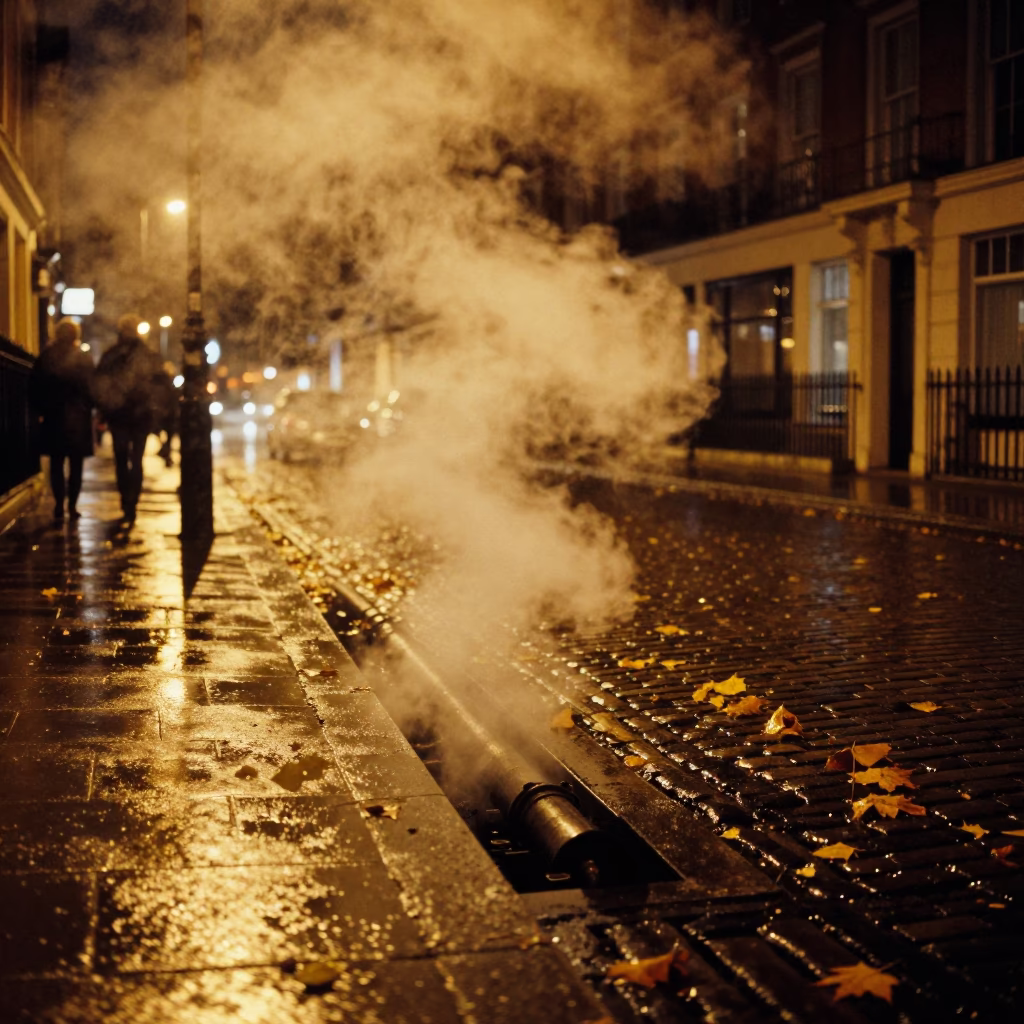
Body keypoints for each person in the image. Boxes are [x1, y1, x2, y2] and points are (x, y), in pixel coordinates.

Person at [94, 314, 167, 524]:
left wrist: (105, 408)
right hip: (140, 415)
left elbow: (100, 384)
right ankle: (132, 501)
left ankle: (126, 499)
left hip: (119, 415)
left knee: (121, 458)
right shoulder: (149, 355)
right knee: (136, 460)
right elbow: (160, 384)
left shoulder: (112, 355)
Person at [29, 317, 95, 522]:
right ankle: (72, 505)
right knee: (76, 465)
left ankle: (59, 503)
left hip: (54, 416)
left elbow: (35, 387)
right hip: (78, 417)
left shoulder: (47, 356)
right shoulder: (83, 358)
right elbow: (92, 388)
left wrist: (40, 410)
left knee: (57, 463)